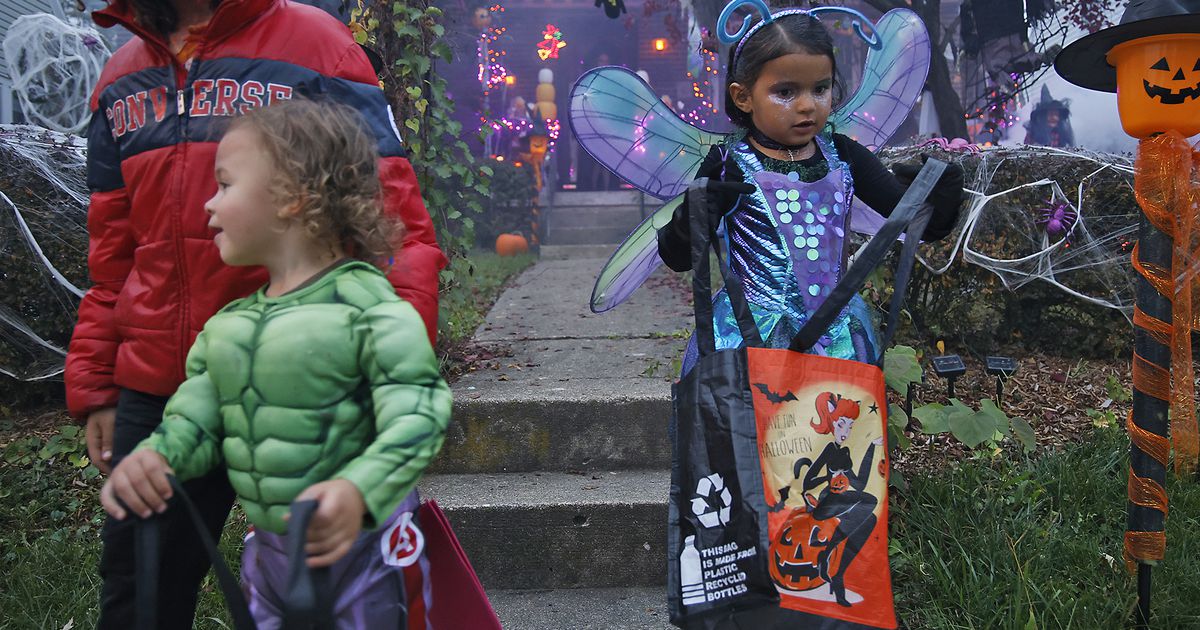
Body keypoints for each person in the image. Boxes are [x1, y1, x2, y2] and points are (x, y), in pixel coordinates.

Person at [68, 0, 446, 626]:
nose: (214, 205)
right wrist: (98, 384)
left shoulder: (317, 48)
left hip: (310, 384)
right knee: (140, 594)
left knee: (331, 599)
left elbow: (394, 223)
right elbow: (111, 254)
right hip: (167, 385)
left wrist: (382, 383)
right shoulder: (119, 80)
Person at [655, 10, 964, 372]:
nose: (807, 105)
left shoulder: (843, 156)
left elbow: (913, 221)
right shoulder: (730, 164)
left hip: (835, 341)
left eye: (820, 88)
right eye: (785, 92)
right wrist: (693, 214)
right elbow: (679, 256)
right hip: (752, 342)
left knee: (835, 424)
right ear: (743, 97)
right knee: (759, 425)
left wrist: (938, 194)